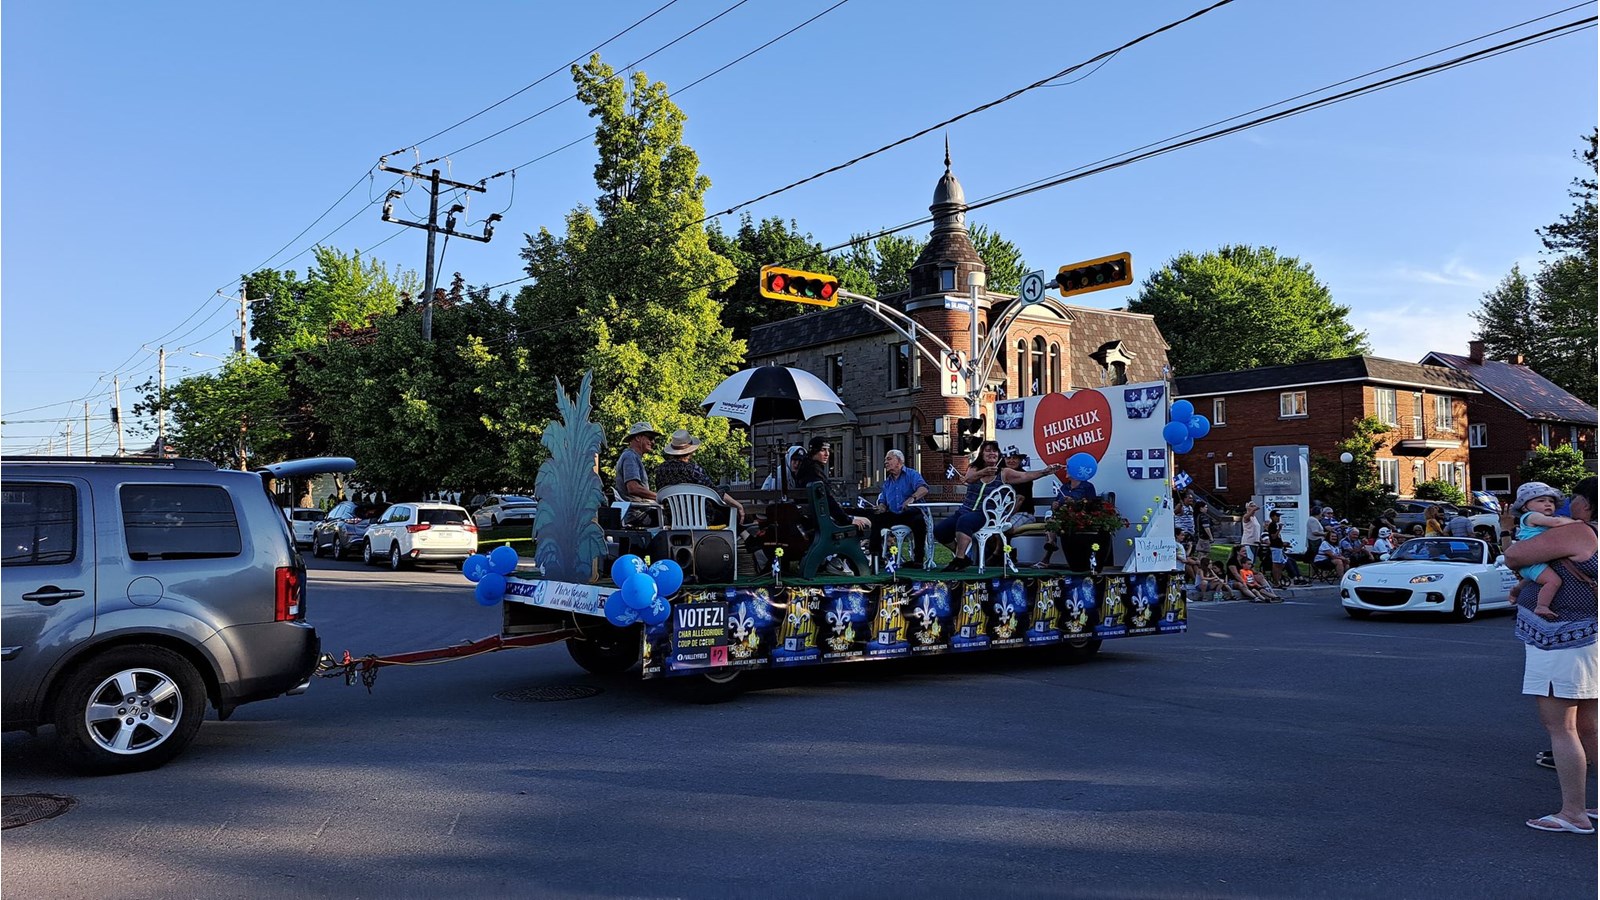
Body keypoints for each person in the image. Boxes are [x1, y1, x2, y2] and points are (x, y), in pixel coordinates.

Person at [1504, 475, 1596, 835]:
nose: (1564, 503)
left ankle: (1573, 813)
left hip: (1561, 640)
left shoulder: (1578, 530)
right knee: (1590, 726)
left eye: (1572, 497)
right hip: (1587, 636)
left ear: (1586, 504)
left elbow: (1514, 555)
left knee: (1561, 726)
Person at [936, 440, 1011, 571]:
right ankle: (963, 556)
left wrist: (1045, 471)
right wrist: (984, 472)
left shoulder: (1004, 472)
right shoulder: (974, 468)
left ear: (999, 455)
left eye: (994, 451)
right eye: (988, 450)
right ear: (981, 454)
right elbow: (968, 479)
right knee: (940, 530)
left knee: (964, 521)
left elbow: (1026, 475)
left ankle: (958, 560)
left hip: (986, 514)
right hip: (965, 510)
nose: (992, 453)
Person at [1511, 481, 1577, 621]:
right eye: (1541, 500)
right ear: (1524, 507)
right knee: (1553, 581)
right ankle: (1542, 606)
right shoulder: (1532, 516)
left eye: (1551, 501)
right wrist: (1578, 523)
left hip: (1535, 561)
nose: (1547, 504)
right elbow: (1557, 523)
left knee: (1529, 580)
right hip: (1533, 562)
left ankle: (1515, 590)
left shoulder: (1544, 519)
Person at [654, 429, 745, 527]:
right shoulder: (693, 469)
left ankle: (748, 537)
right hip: (701, 518)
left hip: (673, 519)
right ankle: (746, 537)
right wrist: (738, 505)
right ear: (691, 451)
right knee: (730, 513)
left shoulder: (660, 470)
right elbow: (715, 491)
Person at [795, 436, 872, 547]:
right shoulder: (814, 471)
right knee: (866, 522)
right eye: (823, 450)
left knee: (862, 514)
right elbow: (828, 500)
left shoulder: (806, 468)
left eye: (828, 450)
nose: (827, 454)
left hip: (814, 518)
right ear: (814, 451)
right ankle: (856, 557)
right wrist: (848, 520)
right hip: (821, 522)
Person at [868, 449, 929, 564]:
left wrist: (912, 498)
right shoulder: (887, 482)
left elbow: (924, 489)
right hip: (894, 514)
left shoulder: (912, 474)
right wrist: (881, 507)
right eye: (885, 459)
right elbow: (883, 502)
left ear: (900, 461)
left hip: (911, 513)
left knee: (918, 520)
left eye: (889, 459)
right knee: (876, 519)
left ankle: (918, 559)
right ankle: (877, 557)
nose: (885, 462)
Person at [1000, 446, 1062, 528]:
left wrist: (1007, 516)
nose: (1011, 460)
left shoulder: (1024, 476)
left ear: (1020, 460)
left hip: (1024, 514)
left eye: (1014, 458)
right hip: (1005, 515)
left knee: (1005, 527)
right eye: (1008, 458)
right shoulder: (1001, 475)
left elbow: (1019, 500)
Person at [614, 421, 660, 503]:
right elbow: (633, 488)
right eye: (650, 438)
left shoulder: (632, 456)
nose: (653, 442)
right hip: (636, 512)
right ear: (638, 438)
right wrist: (659, 497)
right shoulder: (630, 457)